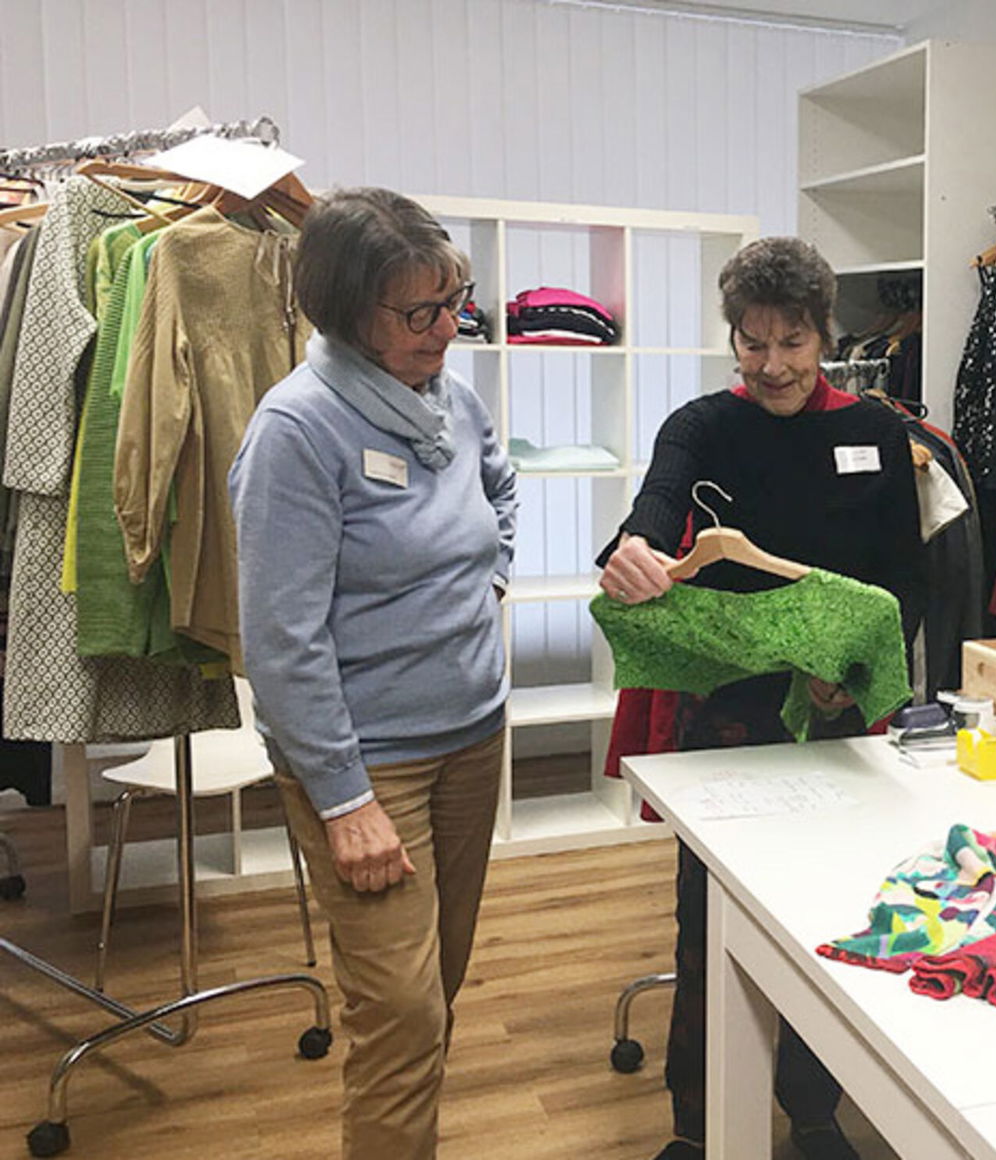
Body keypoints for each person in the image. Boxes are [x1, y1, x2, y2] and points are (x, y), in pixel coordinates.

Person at [598, 236, 925, 1160]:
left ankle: (815, 1115)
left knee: (830, 913)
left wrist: (855, 675)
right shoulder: (702, 425)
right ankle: (698, 1127)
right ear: (732, 338)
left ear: (826, 335)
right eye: (753, 342)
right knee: (710, 917)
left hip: (838, 715)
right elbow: (658, 507)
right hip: (729, 714)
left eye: (793, 341)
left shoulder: (877, 432)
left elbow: (903, 581)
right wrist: (634, 550)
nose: (774, 364)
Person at [229, 188, 517, 1159]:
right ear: (350, 312)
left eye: (454, 302)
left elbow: (498, 486)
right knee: (399, 1014)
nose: (447, 328)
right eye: (419, 311)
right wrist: (344, 796)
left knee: (435, 988)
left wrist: (492, 576)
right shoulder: (297, 430)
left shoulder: (449, 395)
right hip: (370, 766)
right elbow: (280, 637)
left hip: (472, 737)